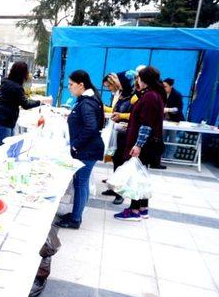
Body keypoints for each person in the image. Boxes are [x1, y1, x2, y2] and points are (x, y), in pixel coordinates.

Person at [114, 66, 165, 222]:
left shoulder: (150, 97)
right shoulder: (153, 94)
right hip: (146, 143)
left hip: (142, 144)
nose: (137, 80)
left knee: (135, 177)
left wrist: (138, 145)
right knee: (141, 175)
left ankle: (134, 210)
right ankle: (143, 209)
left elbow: (146, 124)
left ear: (144, 79)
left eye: (139, 78)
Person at [55, 70, 104, 229]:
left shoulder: (87, 102)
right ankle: (77, 213)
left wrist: (76, 145)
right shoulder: (87, 99)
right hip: (89, 149)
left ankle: (75, 219)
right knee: (82, 183)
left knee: (81, 184)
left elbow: (91, 127)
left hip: (87, 151)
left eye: (71, 84)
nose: (69, 87)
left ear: (81, 85)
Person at [100, 72, 137, 205]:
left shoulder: (134, 96)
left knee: (122, 162)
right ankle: (114, 187)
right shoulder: (122, 95)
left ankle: (120, 193)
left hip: (127, 134)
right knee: (116, 160)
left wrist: (121, 115)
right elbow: (115, 110)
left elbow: (135, 114)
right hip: (118, 132)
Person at [0, 61, 44, 146]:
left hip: (2, 118)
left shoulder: (6, 82)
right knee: (5, 149)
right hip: (5, 120)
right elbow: (25, 104)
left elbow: (16, 99)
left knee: (10, 146)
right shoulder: (16, 87)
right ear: (23, 73)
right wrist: (40, 102)